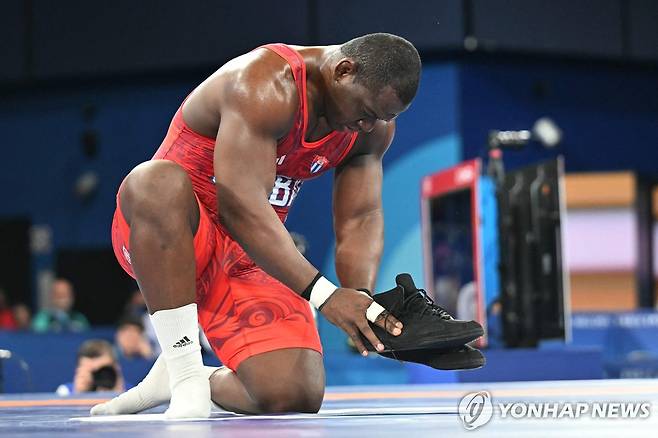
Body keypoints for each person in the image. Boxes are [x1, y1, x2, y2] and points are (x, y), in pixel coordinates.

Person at [92, 33, 480, 419]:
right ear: (344, 70)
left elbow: (360, 218)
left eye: (382, 118)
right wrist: (325, 296)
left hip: (249, 254)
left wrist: (359, 302)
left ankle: (188, 378)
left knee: (294, 393)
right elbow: (239, 207)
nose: (368, 126)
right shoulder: (264, 84)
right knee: (154, 181)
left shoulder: (370, 127)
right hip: (171, 239)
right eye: (365, 112)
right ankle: (184, 371)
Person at [56, 339, 127, 396]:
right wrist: (78, 394)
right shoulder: (64, 392)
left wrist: (118, 394)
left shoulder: (133, 392)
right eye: (91, 372)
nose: (97, 376)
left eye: (103, 371)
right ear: (78, 371)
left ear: (117, 368)